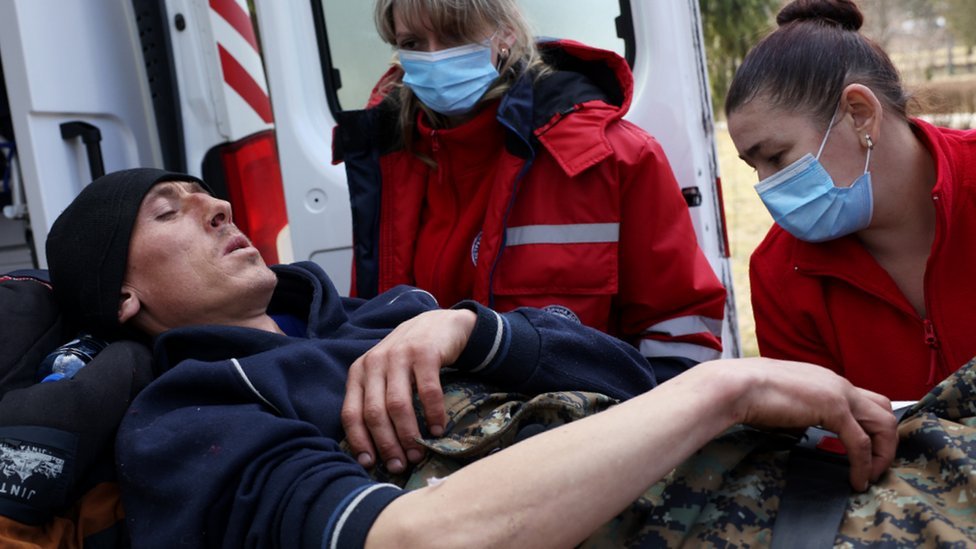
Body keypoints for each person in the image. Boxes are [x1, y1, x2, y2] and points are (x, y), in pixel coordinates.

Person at [40, 168, 895, 547]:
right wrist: (728, 383)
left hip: (827, 474)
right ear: (124, 297)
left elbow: (633, 379)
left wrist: (472, 328)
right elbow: (418, 540)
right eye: (170, 212)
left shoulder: (391, 313)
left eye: (206, 194)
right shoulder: (190, 415)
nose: (219, 206)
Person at [333, 0, 727, 387]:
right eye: (414, 43)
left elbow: (681, 330)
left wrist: (644, 430)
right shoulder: (385, 162)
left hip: (588, 431)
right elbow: (369, 321)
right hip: (428, 431)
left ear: (505, 34)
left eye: (454, 35)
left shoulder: (616, 157)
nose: (435, 57)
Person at [725, 0, 976, 400]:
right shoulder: (780, 272)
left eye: (776, 157)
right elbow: (822, 445)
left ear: (859, 114)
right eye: (752, 166)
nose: (766, 187)